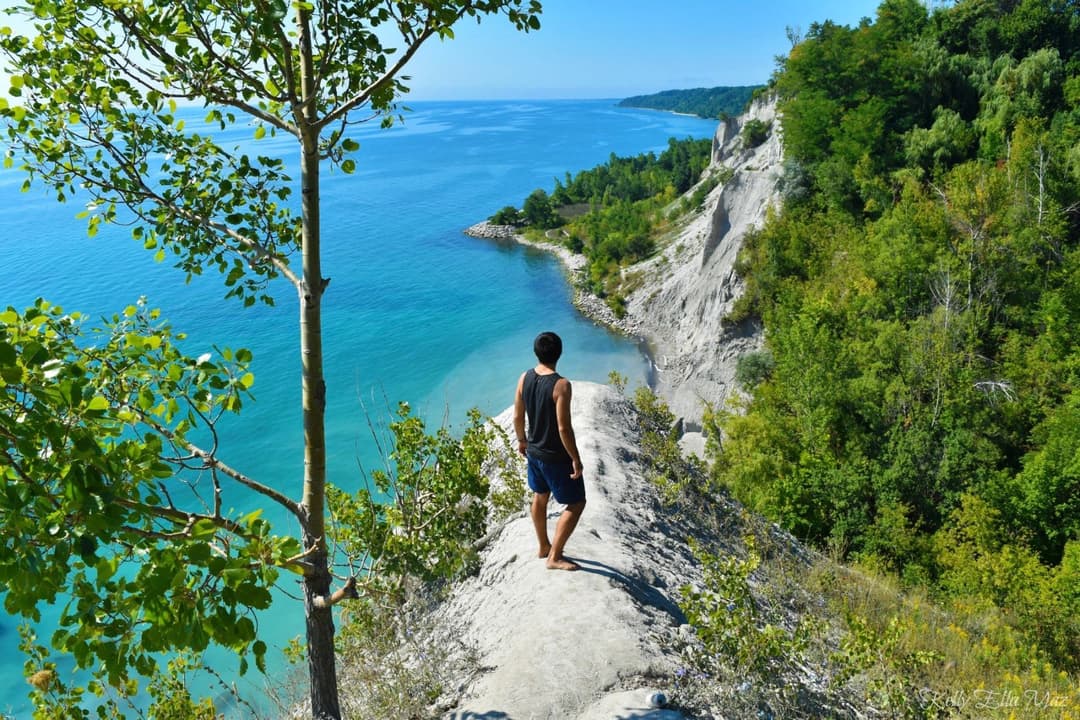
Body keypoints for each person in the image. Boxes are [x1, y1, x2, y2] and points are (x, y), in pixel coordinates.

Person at [513, 331, 586, 571]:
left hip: (534, 452)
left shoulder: (524, 378)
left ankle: (543, 545)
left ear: (536, 352)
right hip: (556, 457)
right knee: (576, 504)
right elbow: (564, 428)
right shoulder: (561, 385)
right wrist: (575, 459)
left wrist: (522, 440)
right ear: (560, 353)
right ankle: (555, 556)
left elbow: (517, 416)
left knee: (540, 496)